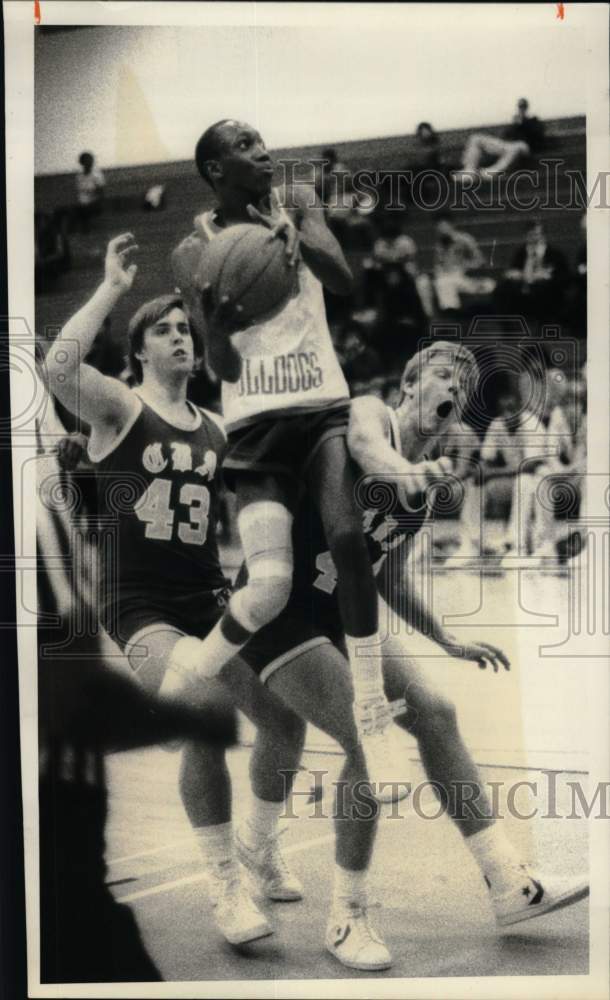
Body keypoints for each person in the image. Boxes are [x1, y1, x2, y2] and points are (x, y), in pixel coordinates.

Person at [235, 339, 588, 968]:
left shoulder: (422, 491)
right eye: (445, 372)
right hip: (283, 615)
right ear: (410, 382)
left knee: (436, 711)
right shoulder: (373, 415)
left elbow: (388, 581)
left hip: (345, 616)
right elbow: (369, 450)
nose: (455, 385)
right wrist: (409, 473)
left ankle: (507, 882)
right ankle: (346, 916)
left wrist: (448, 638)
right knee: (367, 741)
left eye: (465, 382)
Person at [44, 234, 310, 948]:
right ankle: (225, 885)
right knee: (204, 709)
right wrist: (109, 288)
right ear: (140, 353)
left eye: (183, 328)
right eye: (163, 330)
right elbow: (58, 366)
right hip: (140, 605)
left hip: (208, 598)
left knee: (287, 722)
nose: (179, 337)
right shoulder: (119, 411)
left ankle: (258, 846)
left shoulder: (221, 429)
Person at [171, 119, 405, 790]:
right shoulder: (195, 253)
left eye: (261, 141)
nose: (263, 151)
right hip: (254, 427)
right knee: (270, 584)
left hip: (323, 409)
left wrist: (295, 239)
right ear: (216, 170)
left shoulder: (297, 198)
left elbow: (344, 278)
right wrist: (214, 326)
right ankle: (199, 668)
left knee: (349, 539)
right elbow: (220, 365)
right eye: (244, 147)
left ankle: (372, 710)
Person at [455, 98, 545, 181]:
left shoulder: (533, 120)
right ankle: (470, 171)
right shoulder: (515, 121)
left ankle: (487, 174)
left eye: (523, 106)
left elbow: (537, 136)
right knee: (475, 138)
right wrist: (516, 124)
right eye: (520, 106)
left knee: (516, 147)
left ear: (526, 108)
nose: (521, 109)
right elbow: (506, 136)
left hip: (523, 146)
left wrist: (524, 122)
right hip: (508, 145)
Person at [433, 212, 491, 312]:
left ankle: (451, 313)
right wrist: (440, 271)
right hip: (449, 278)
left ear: (451, 225)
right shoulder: (439, 245)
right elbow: (438, 265)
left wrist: (465, 266)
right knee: (441, 281)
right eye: (438, 227)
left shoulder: (465, 239)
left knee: (443, 282)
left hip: (467, 277)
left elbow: (481, 261)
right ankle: (451, 311)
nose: (441, 229)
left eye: (443, 226)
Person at [75, 151, 105, 232]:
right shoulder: (79, 176)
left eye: (90, 161)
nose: (88, 163)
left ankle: (86, 229)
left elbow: (101, 192)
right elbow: (79, 190)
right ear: (82, 163)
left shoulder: (97, 175)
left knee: (84, 210)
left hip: (94, 202)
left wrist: (95, 200)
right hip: (82, 202)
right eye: (86, 161)